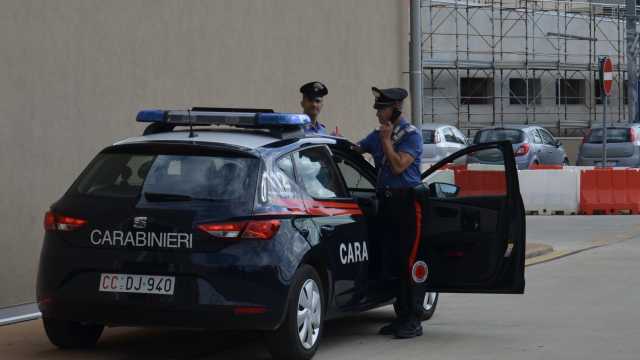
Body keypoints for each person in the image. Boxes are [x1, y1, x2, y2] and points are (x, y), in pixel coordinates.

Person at [354, 86, 424, 339]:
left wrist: (385, 141)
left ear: (394, 110)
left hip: (406, 203)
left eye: (381, 109)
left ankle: (413, 319)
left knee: (406, 262)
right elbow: (356, 149)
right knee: (392, 261)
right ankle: (400, 317)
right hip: (385, 203)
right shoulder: (376, 135)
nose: (377, 114)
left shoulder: (411, 136)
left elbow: (398, 167)